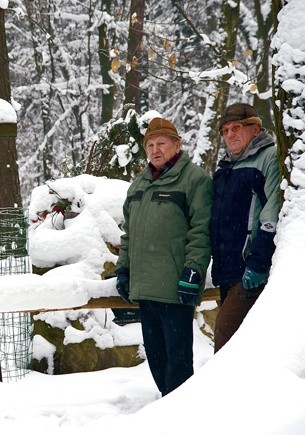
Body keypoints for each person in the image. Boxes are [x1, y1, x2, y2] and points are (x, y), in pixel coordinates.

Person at [115, 117, 212, 396]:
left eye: (161, 144)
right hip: (145, 290)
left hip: (175, 288)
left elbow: (201, 231)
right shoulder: (138, 185)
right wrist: (123, 270)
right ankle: (168, 411)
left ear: (177, 145)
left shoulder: (194, 180)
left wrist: (193, 271)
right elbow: (128, 235)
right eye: (150, 145)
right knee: (156, 361)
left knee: (179, 364)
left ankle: (181, 416)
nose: (155, 150)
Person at [211, 103, 280, 352]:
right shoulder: (224, 169)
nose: (230, 135)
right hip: (227, 272)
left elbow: (271, 212)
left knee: (224, 342)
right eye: (225, 130)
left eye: (236, 128)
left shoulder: (269, 157)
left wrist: (259, 262)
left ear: (255, 128)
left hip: (250, 269)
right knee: (241, 349)